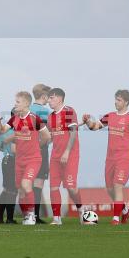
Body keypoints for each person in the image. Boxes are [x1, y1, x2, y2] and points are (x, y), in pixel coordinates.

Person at [82, 89, 129, 225]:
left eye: (119, 100)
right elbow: (95, 126)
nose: (116, 102)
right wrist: (87, 121)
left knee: (118, 186)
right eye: (115, 99)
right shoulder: (110, 116)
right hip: (110, 158)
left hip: (124, 158)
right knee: (109, 189)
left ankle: (115, 218)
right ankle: (125, 209)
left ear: (126, 102)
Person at [0, 91, 51, 226]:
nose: (15, 104)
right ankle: (27, 215)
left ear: (26, 103)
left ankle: (31, 215)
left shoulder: (34, 118)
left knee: (27, 185)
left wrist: (38, 146)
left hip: (33, 159)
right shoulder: (14, 119)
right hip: (19, 160)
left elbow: (47, 136)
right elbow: (2, 130)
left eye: (17, 102)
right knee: (20, 190)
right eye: (15, 102)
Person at [46, 87, 82, 225]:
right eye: (49, 98)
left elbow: (73, 133)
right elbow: (50, 137)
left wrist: (67, 152)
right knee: (54, 187)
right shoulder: (50, 117)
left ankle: (81, 209)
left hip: (70, 155)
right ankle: (57, 218)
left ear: (59, 98)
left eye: (52, 98)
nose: (49, 101)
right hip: (55, 156)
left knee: (71, 187)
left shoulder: (69, 111)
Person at [29, 83, 52, 222]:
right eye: (49, 97)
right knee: (38, 185)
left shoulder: (26, 109)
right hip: (40, 150)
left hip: (25, 151)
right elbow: (50, 134)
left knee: (27, 185)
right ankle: (35, 216)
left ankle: (28, 215)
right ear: (44, 96)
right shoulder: (47, 112)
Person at [0, 109, 18, 224]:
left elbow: (0, 147)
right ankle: (9, 218)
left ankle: (0, 218)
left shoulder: (5, 131)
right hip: (12, 160)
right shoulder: (16, 130)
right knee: (12, 190)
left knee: (6, 189)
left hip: (5, 159)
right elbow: (15, 150)